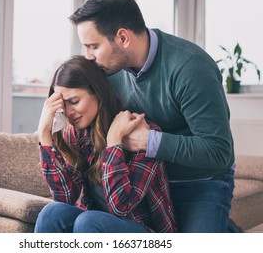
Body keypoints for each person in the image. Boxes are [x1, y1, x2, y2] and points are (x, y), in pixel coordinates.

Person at [69, 0, 237, 233]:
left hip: (200, 181)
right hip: (147, 180)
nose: (88, 56)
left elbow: (218, 151)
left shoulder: (190, 67)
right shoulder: (109, 70)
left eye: (93, 46)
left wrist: (150, 141)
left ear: (123, 38)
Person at [35, 55, 177, 233]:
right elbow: (65, 199)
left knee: (89, 220)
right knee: (52, 213)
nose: (69, 112)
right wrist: (44, 135)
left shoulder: (141, 133)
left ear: (97, 92)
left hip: (145, 232)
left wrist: (114, 143)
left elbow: (121, 207)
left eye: (75, 101)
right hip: (93, 226)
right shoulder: (77, 134)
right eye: (64, 105)